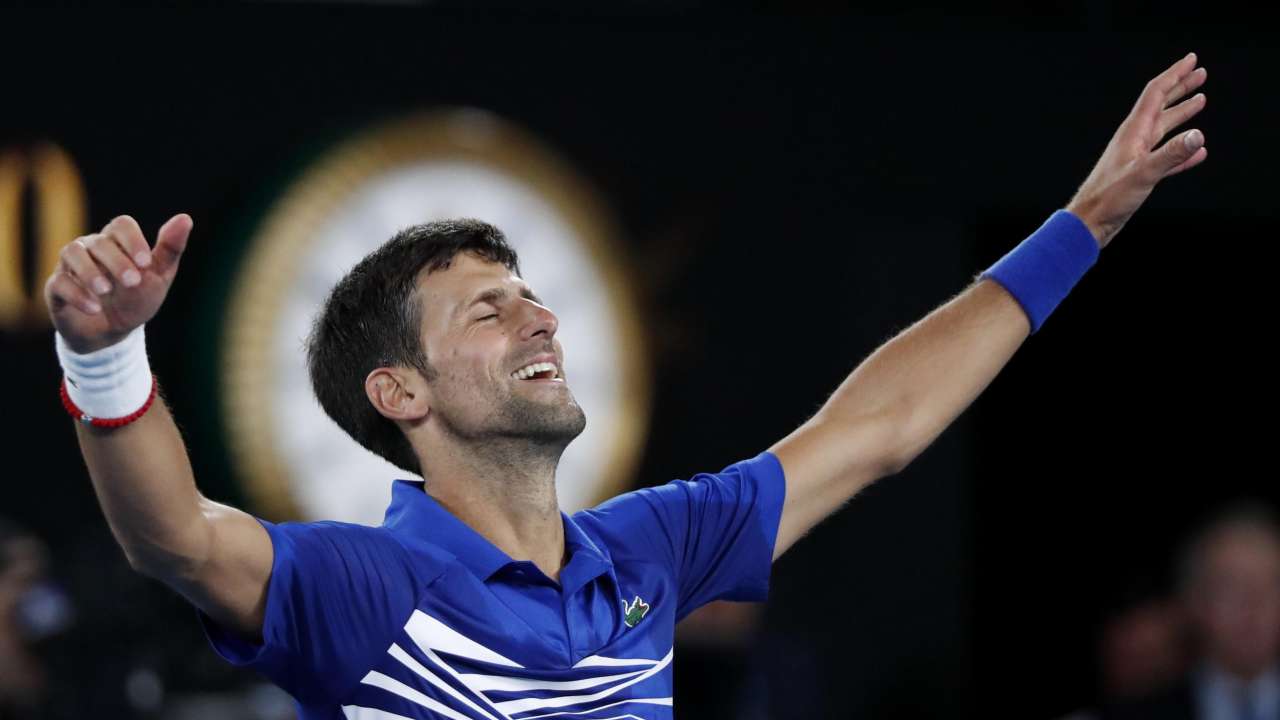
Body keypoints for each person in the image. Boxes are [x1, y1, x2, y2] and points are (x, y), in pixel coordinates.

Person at [42, 54, 1209, 718]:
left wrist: (1084, 223)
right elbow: (177, 541)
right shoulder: (362, 585)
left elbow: (879, 428)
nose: (539, 316)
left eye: (531, 294)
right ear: (399, 394)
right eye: (486, 308)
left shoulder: (650, 550)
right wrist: (104, 355)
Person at [1103, 503, 1280, 720]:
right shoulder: (1138, 713)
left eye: (1273, 584)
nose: (1254, 604)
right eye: (1231, 587)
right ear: (1193, 600)